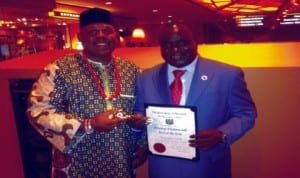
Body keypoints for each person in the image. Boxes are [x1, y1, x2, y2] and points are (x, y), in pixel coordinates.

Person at [26, 8, 147, 178]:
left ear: (116, 36)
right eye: (93, 32)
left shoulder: (132, 69)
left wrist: (142, 144)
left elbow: (142, 108)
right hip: (77, 159)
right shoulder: (59, 69)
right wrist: (87, 124)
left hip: (122, 156)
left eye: (107, 31)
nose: (101, 36)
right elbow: (37, 110)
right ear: (80, 37)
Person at [135, 22, 257, 178]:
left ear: (195, 42)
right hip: (163, 167)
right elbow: (139, 113)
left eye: (182, 43)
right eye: (167, 45)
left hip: (208, 167)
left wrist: (222, 134)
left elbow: (246, 113)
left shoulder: (227, 74)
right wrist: (137, 124)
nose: (175, 50)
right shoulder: (145, 77)